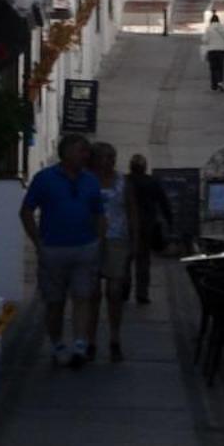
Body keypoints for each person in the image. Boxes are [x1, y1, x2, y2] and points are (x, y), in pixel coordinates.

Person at [19, 134, 108, 369]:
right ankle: (57, 344)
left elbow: (99, 212)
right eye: (81, 151)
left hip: (84, 247)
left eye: (86, 152)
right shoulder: (44, 179)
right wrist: (38, 242)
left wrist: (98, 241)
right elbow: (26, 211)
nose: (86, 156)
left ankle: (79, 344)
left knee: (83, 297)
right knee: (54, 303)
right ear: (66, 152)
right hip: (53, 248)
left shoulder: (90, 180)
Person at [91, 141, 134, 363]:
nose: (109, 161)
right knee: (92, 294)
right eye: (105, 157)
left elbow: (131, 210)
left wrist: (134, 242)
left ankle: (115, 338)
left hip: (117, 239)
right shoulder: (86, 180)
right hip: (90, 240)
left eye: (112, 157)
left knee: (115, 291)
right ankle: (89, 340)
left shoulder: (122, 181)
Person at [125, 152, 174, 296]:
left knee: (125, 259)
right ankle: (142, 292)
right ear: (145, 167)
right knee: (143, 260)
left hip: (127, 225)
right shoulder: (152, 181)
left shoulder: (124, 181)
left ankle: (124, 289)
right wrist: (169, 220)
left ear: (131, 167)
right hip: (146, 226)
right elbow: (163, 202)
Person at [202, 11, 224, 91]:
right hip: (221, 51)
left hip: (212, 51)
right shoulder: (223, 28)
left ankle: (214, 85)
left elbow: (204, 40)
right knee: (220, 67)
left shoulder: (209, 29)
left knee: (213, 68)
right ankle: (220, 83)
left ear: (211, 21)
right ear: (218, 20)